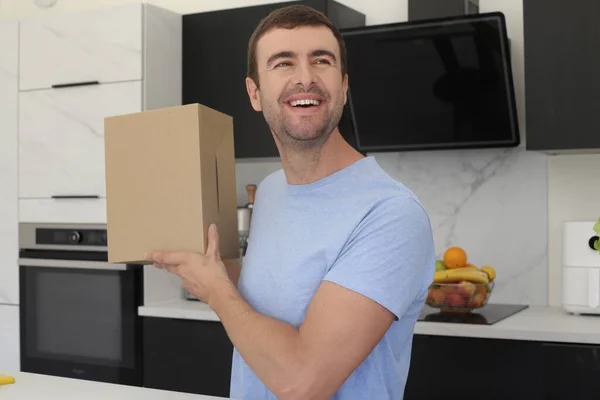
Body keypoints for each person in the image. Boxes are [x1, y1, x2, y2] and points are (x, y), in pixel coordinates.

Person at [145, 5, 435, 400]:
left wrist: (215, 290)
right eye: (283, 63)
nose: (305, 78)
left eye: (322, 60)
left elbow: (303, 382)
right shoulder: (270, 191)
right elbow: (267, 297)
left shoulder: (390, 214)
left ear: (344, 86)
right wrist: (201, 265)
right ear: (254, 93)